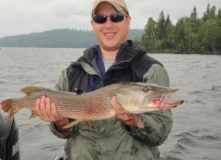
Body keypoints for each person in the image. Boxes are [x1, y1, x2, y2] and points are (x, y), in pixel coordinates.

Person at [35, 0, 173, 159]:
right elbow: (63, 132)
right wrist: (59, 123)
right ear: (93, 24)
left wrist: (135, 122)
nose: (108, 24)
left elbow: (161, 134)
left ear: (128, 21)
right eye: (101, 18)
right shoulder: (71, 73)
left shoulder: (151, 70)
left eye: (116, 17)